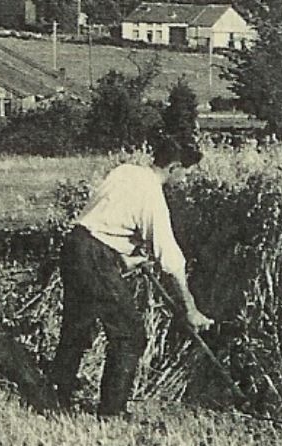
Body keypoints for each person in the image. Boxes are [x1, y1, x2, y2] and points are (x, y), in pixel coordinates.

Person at [49, 136, 214, 417]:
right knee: (130, 334)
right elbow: (170, 260)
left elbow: (103, 219)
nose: (185, 179)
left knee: (77, 326)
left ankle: (54, 398)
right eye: (186, 172)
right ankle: (111, 412)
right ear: (173, 167)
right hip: (95, 256)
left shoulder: (126, 171)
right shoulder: (152, 196)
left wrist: (122, 258)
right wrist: (191, 309)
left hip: (75, 246)